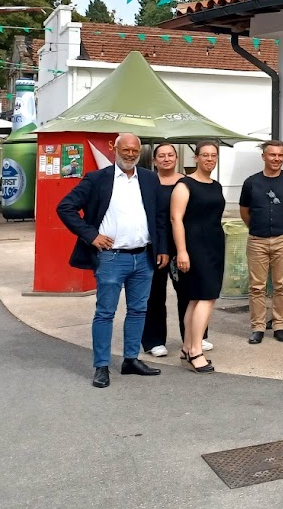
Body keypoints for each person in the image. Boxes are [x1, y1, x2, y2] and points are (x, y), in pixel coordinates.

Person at [57, 132, 170, 388]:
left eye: (135, 150)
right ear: (115, 150)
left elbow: (159, 216)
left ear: (140, 152)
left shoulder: (150, 178)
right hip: (111, 258)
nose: (130, 154)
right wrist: (91, 235)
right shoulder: (98, 179)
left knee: (138, 310)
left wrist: (162, 248)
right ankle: (101, 366)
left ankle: (131, 360)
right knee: (105, 313)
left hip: (143, 257)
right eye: (125, 150)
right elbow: (65, 207)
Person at [141, 143, 209, 358]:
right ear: (154, 161)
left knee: (190, 292)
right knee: (154, 294)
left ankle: (195, 337)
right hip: (155, 245)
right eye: (161, 156)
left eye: (170, 155)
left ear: (177, 159)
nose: (166, 159)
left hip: (185, 245)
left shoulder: (186, 182)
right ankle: (154, 341)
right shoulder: (148, 183)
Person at [170, 140, 225, 374]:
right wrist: (182, 251)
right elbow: (176, 219)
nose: (210, 159)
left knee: (196, 299)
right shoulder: (185, 185)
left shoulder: (216, 185)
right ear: (196, 158)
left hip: (215, 245)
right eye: (205, 155)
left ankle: (187, 347)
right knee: (206, 297)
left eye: (214, 155)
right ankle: (195, 351)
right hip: (194, 247)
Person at [241, 140, 283, 344]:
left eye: (279, 155)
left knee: (282, 285)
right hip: (257, 240)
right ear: (264, 157)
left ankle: (279, 326)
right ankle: (258, 327)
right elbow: (244, 211)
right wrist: (256, 228)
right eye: (272, 155)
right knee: (256, 287)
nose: (276, 159)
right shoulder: (251, 182)